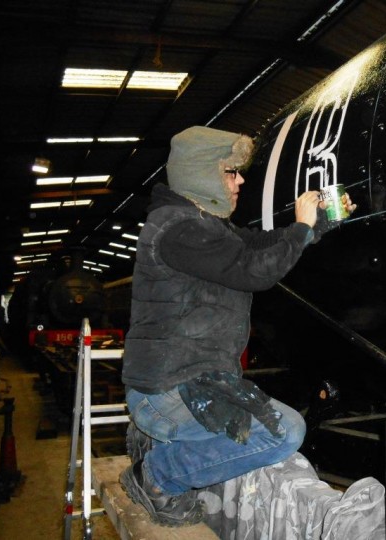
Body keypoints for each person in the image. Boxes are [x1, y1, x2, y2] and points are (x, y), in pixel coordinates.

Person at [119, 125, 356, 526]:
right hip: (168, 389)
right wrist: (299, 227)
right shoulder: (178, 229)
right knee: (283, 433)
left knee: (271, 424)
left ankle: (161, 448)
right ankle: (156, 476)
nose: (240, 180)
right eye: (231, 171)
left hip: (194, 381)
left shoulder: (202, 224)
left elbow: (258, 245)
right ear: (202, 174)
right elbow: (255, 271)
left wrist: (317, 226)